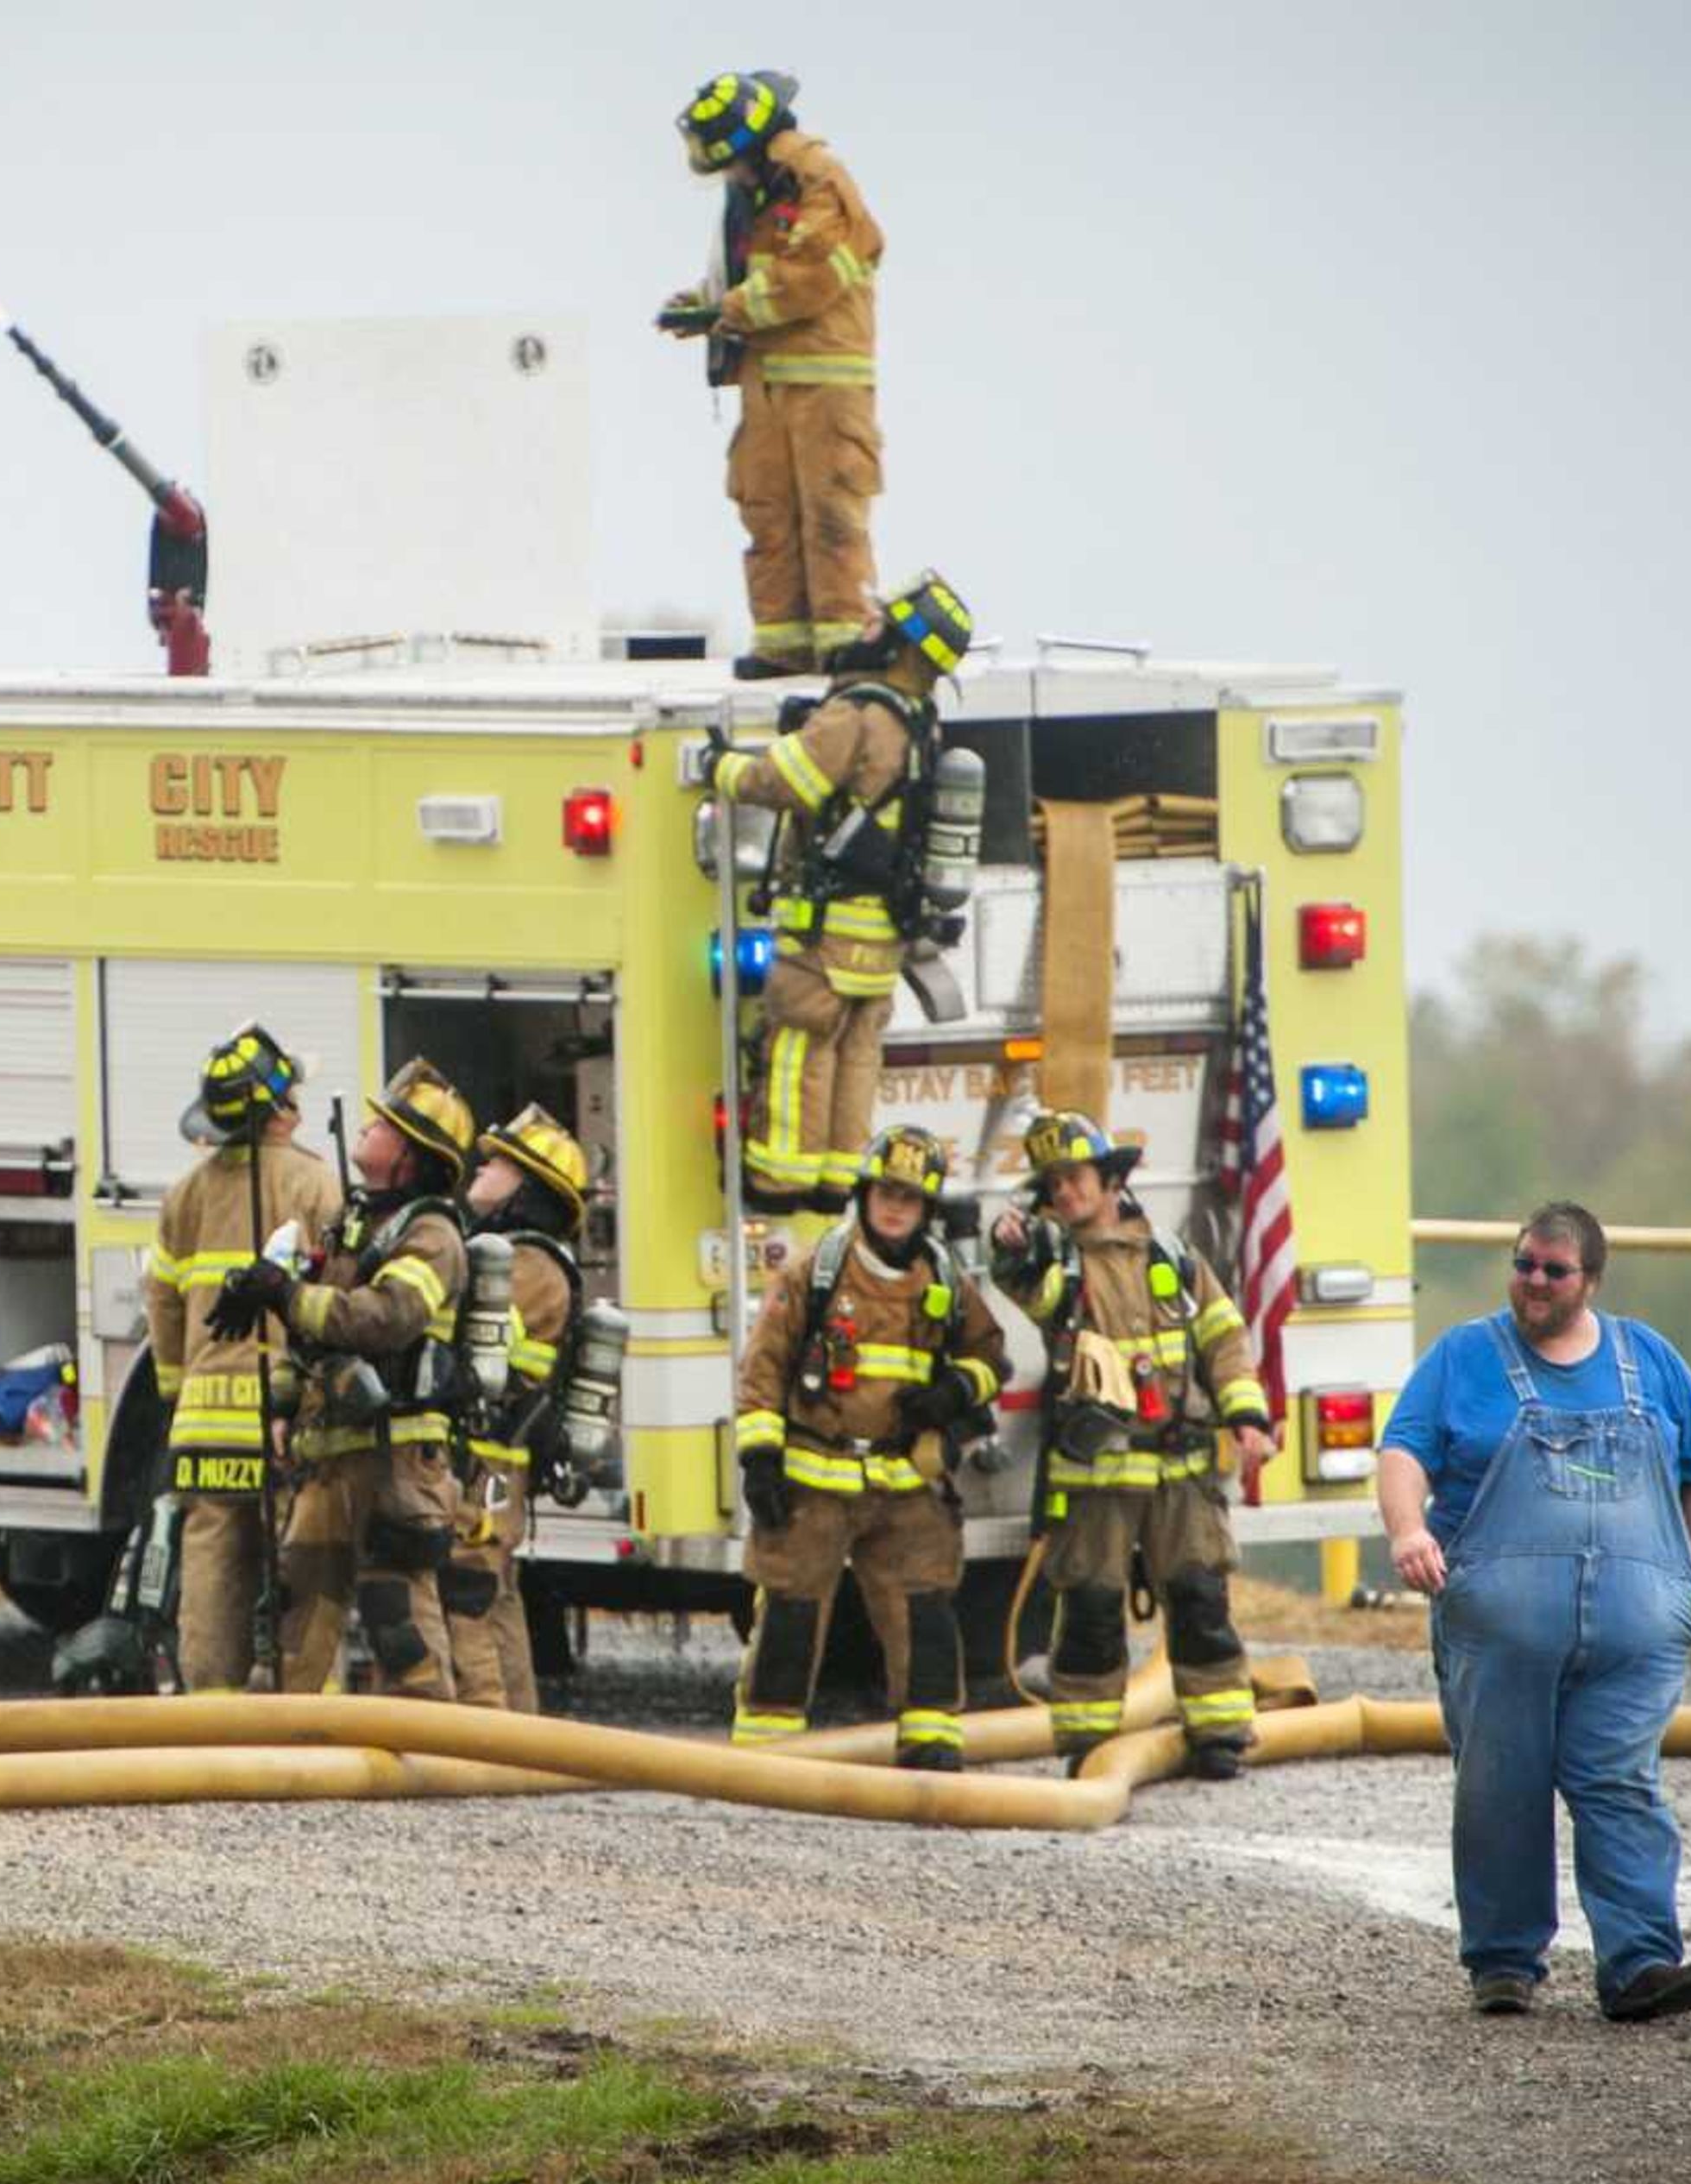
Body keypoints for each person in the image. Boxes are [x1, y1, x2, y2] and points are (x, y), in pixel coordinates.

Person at [1379, 1200, 1691, 2024]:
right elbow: (1402, 1451)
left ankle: (1642, 1962)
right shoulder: (1464, 1356)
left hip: (1634, 1638)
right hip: (1501, 1636)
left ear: (1592, 1281)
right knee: (1501, 1786)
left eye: (1554, 1269)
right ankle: (1503, 1963)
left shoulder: (1651, 1359)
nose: (1534, 1280)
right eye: (1524, 1263)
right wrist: (1405, 1529)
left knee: (1621, 1783)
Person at [989, 1110, 1274, 1778]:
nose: (1064, 1193)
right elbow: (1026, 1284)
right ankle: (1088, 1740)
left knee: (1202, 1599)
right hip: (1096, 1479)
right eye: (1052, 1185)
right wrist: (1013, 1246)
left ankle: (1220, 1732)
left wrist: (1248, 1417)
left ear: (1110, 1179)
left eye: (1075, 1177)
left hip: (1182, 1472)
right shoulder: (1058, 1266)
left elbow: (1226, 1343)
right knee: (1089, 1608)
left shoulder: (1173, 1260)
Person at [705, 570, 976, 1231]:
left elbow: (783, 779)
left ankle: (779, 1178)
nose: (868, 631)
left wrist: (720, 767)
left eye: (884, 624)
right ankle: (836, 1179)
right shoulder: (919, 722)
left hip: (825, 930)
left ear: (904, 646)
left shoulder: (858, 713)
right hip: (882, 933)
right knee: (857, 1054)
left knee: (801, 1044)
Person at [730, 1123, 1004, 1769]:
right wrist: (759, 1457)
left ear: (927, 1208)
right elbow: (764, 1366)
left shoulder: (944, 1278)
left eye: (909, 1197)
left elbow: (991, 1357)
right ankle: (768, 1758)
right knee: (791, 1612)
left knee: (925, 1611)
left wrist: (956, 1389)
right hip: (814, 1478)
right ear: (864, 1193)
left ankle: (931, 1745)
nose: (895, 1206)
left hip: (904, 1483)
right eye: (885, 1191)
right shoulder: (817, 1271)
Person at [214, 1060, 479, 1698]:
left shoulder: (432, 1234)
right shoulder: (353, 1224)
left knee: (398, 1621)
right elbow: (311, 1335)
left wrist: (289, 1293)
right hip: (328, 1454)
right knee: (291, 1619)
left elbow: (385, 1319)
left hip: (395, 1461)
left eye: (384, 1124)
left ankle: (431, 1760)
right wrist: (280, 1402)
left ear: (411, 1156)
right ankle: (279, 1761)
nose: (367, 1128)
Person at [657, 69, 887, 679]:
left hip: (826, 382)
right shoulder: (755, 193)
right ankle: (783, 641)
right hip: (767, 382)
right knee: (767, 511)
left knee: (831, 509)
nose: (728, 177)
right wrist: (701, 306)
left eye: (730, 163)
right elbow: (746, 275)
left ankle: (845, 640)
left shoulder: (817, 180)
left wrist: (725, 311)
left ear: (752, 145)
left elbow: (810, 274)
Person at [141, 1025, 343, 1691]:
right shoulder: (317, 1186)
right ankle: (304, 1723)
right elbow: (337, 1303)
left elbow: (165, 1310)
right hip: (288, 1420)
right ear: (280, 1110)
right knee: (303, 1582)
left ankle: (212, 1725)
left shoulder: (185, 1194)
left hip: (204, 1426)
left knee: (212, 1586)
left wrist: (179, 1394)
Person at [444, 1104, 594, 1713]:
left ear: (529, 1184)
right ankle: (519, 1737)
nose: (483, 1163)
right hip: (491, 1464)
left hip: (490, 1463)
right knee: (496, 1593)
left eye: (500, 1160)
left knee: (467, 1587)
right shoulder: (518, 1255)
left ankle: (486, 1738)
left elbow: (472, 1344)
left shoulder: (532, 1266)